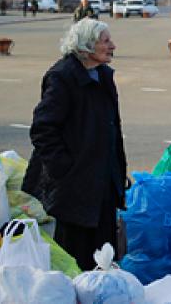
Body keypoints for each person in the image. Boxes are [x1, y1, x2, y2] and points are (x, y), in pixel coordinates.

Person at [22, 18, 127, 270]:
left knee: (103, 252)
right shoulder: (62, 77)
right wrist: (65, 170)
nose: (112, 46)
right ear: (87, 46)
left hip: (102, 181)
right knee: (75, 256)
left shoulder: (103, 75)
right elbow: (43, 129)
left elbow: (112, 128)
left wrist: (117, 173)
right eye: (105, 41)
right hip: (75, 185)